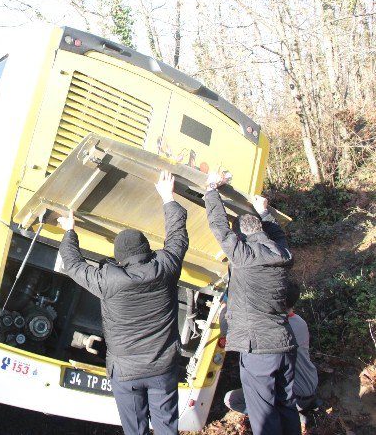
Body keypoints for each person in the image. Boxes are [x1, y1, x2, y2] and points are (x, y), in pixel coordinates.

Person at [57, 170, 188, 435]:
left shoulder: (108, 280)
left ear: (119, 257)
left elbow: (73, 265)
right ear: (147, 250)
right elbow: (178, 236)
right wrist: (167, 197)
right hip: (162, 368)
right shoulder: (165, 268)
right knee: (167, 429)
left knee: (135, 431)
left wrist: (70, 232)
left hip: (125, 373)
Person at [204, 172, 300, 435]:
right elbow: (277, 236)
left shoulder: (244, 256)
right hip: (284, 343)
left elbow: (219, 228)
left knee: (263, 412)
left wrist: (211, 190)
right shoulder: (283, 255)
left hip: (259, 347)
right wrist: (264, 213)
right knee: (285, 404)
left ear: (242, 238)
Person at [223, 281, 319, 430]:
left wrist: (225, 305)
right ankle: (299, 413)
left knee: (231, 399)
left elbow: (227, 329)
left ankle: (286, 417)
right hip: (310, 387)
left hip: (294, 397)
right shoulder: (300, 323)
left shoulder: (274, 329)